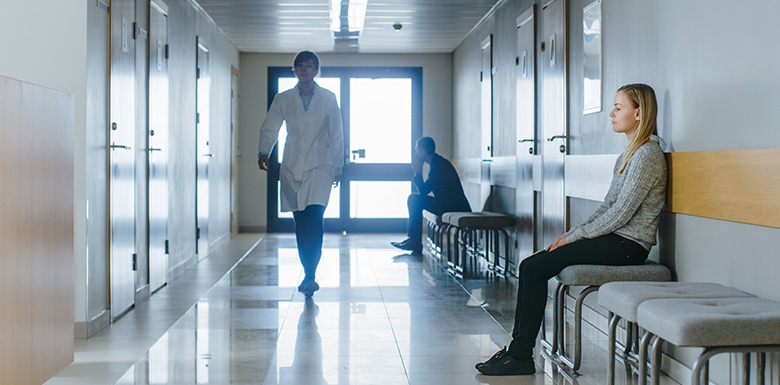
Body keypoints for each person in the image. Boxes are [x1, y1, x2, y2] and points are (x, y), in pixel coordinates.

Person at [475, 84, 667, 375]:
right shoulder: (629, 154)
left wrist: (574, 237)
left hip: (629, 246)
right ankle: (517, 351)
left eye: (618, 107)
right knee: (530, 265)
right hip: (615, 239)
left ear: (638, 113)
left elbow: (620, 214)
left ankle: (520, 356)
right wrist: (571, 234)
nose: (611, 114)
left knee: (533, 268)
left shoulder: (648, 155)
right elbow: (607, 206)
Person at [257, 51, 344, 297]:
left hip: (321, 165)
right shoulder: (283, 98)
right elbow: (270, 127)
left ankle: (310, 274)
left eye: (309, 66)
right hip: (292, 165)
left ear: (317, 70)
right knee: (301, 222)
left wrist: (338, 166)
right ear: (294, 70)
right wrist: (264, 151)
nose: (304, 70)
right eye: (299, 66)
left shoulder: (328, 98)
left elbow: (337, 133)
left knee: (315, 217)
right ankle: (307, 270)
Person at [391, 137, 471, 253]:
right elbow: (426, 190)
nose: (416, 153)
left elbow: (423, 191)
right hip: (448, 204)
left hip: (454, 207)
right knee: (414, 199)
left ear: (423, 151)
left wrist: (417, 172)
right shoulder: (437, 163)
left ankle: (414, 241)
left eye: (417, 150)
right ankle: (413, 240)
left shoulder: (439, 166)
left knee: (414, 199)